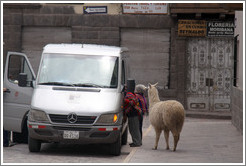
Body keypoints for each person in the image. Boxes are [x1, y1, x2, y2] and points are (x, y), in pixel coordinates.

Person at [124, 79, 142, 147]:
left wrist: (126, 101)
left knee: (134, 129)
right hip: (133, 114)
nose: (125, 88)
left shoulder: (129, 94)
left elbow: (130, 102)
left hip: (133, 114)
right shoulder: (132, 94)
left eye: (126, 86)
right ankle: (136, 141)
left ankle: (137, 142)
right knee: (133, 129)